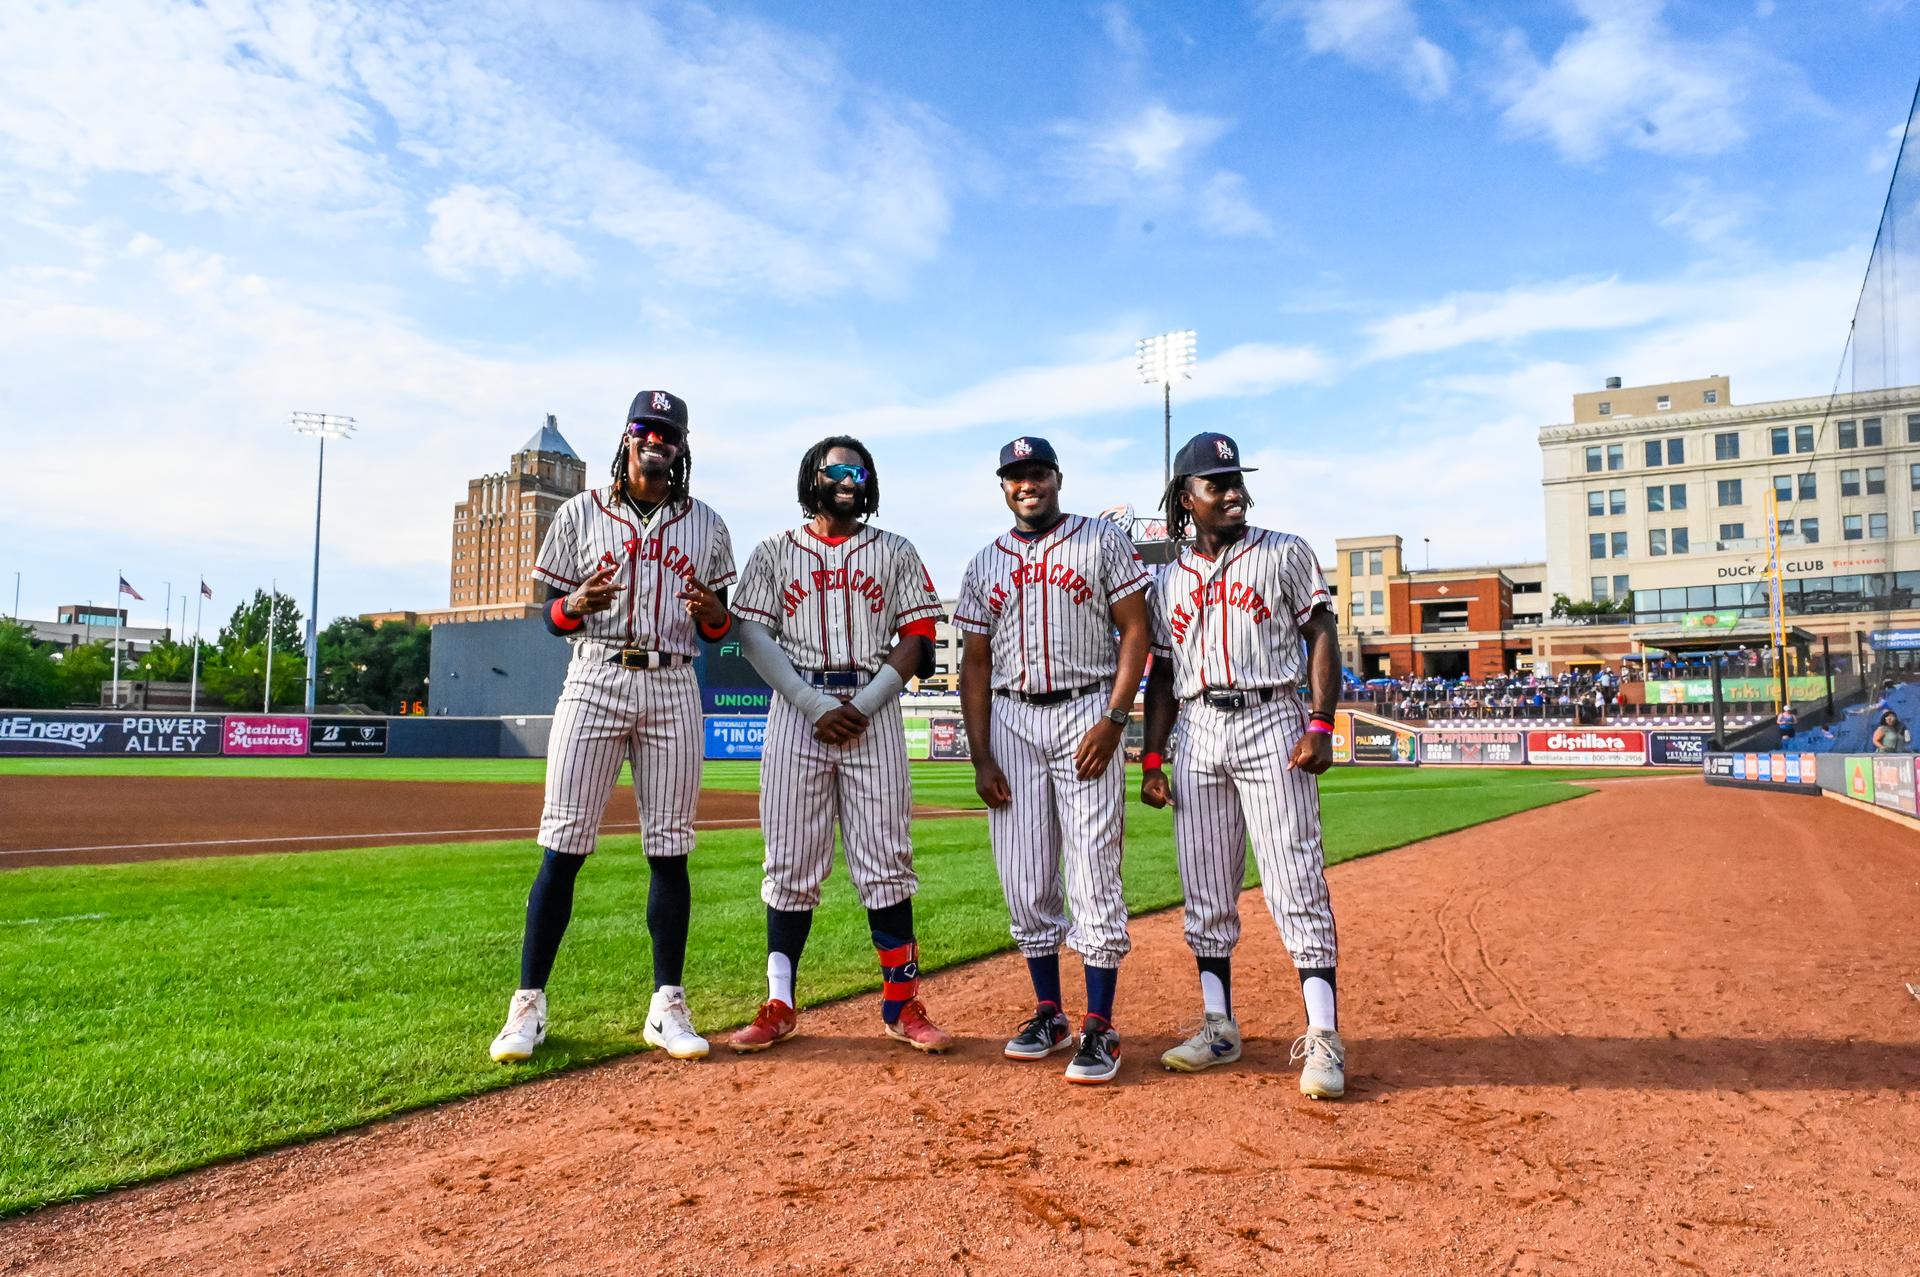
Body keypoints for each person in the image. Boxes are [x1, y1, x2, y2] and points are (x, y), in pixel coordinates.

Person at [490, 391, 736, 1064]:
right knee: (563, 846)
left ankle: (667, 1004)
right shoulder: (579, 512)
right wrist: (575, 601)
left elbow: (718, 628)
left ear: (681, 447)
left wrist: (715, 609)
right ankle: (527, 1006)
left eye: (668, 431)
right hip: (595, 674)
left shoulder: (706, 524)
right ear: (627, 437)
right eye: (645, 427)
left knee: (670, 849)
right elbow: (551, 614)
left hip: (671, 679)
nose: (655, 438)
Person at [723, 436, 953, 1053]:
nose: (849, 479)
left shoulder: (896, 551)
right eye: (836, 470)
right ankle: (779, 1003)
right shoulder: (774, 551)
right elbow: (751, 635)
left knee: (885, 862)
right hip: (799, 715)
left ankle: (902, 1004)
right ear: (813, 479)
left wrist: (862, 704)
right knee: (790, 864)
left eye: (860, 471)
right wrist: (814, 704)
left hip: (870, 711)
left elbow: (919, 635)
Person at [1139, 431, 1347, 1100]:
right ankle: (1218, 1025)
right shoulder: (1166, 579)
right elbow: (1164, 676)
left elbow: (1321, 633)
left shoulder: (1284, 552)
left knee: (1294, 878)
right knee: (1205, 887)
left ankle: (1324, 1036)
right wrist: (1150, 754)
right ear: (1185, 499)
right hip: (1196, 727)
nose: (1232, 491)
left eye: (1236, 480)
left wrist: (1320, 721)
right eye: (1215, 483)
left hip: (1269, 717)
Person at [954, 436, 1152, 1085]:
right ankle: (1049, 1010)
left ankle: (1100, 1023)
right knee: (1024, 876)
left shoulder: (1100, 541)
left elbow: (1136, 629)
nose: (1027, 482)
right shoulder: (985, 563)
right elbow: (975, 663)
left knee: (1094, 869)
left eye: (1036, 471)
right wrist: (981, 754)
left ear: (1056, 478)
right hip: (1011, 718)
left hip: (1085, 708)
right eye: (1015, 475)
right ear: (1003, 485)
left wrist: (1115, 717)